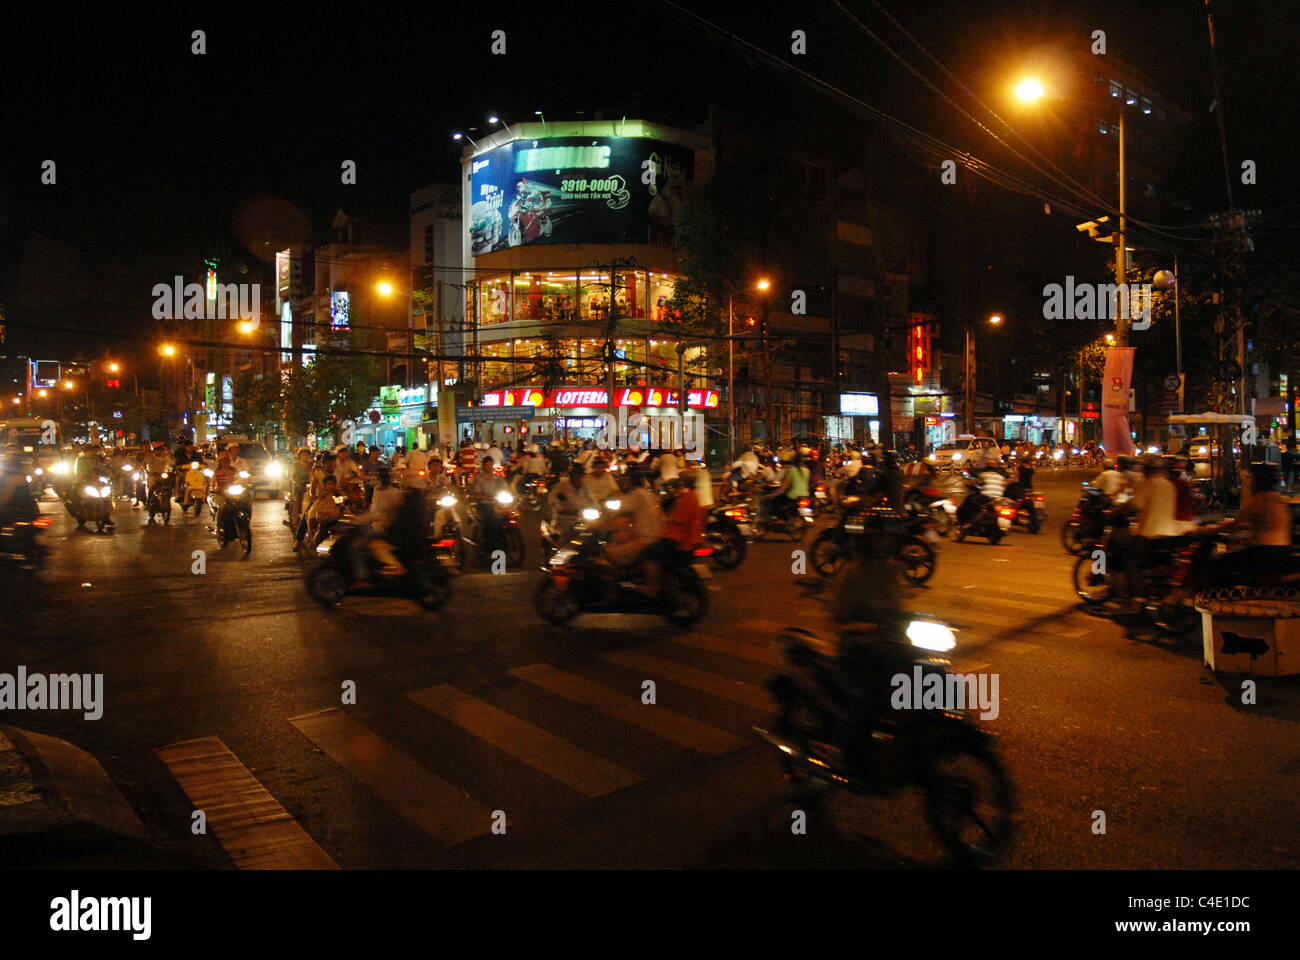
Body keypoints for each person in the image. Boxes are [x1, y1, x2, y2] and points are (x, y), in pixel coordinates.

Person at [1201, 463, 1295, 588]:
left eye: (1251, 479)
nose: (1250, 482)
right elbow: (1258, 524)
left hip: (1262, 552)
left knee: (1217, 564)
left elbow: (1237, 525)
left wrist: (1210, 530)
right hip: (1282, 551)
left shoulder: (1260, 499)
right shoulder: (1279, 499)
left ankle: (1226, 601)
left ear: (1258, 481)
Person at [347, 466, 407, 584]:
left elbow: (380, 513)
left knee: (356, 547)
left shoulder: (392, 493)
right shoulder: (377, 490)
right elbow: (373, 510)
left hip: (384, 529)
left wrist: (360, 519)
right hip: (374, 526)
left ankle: (362, 577)